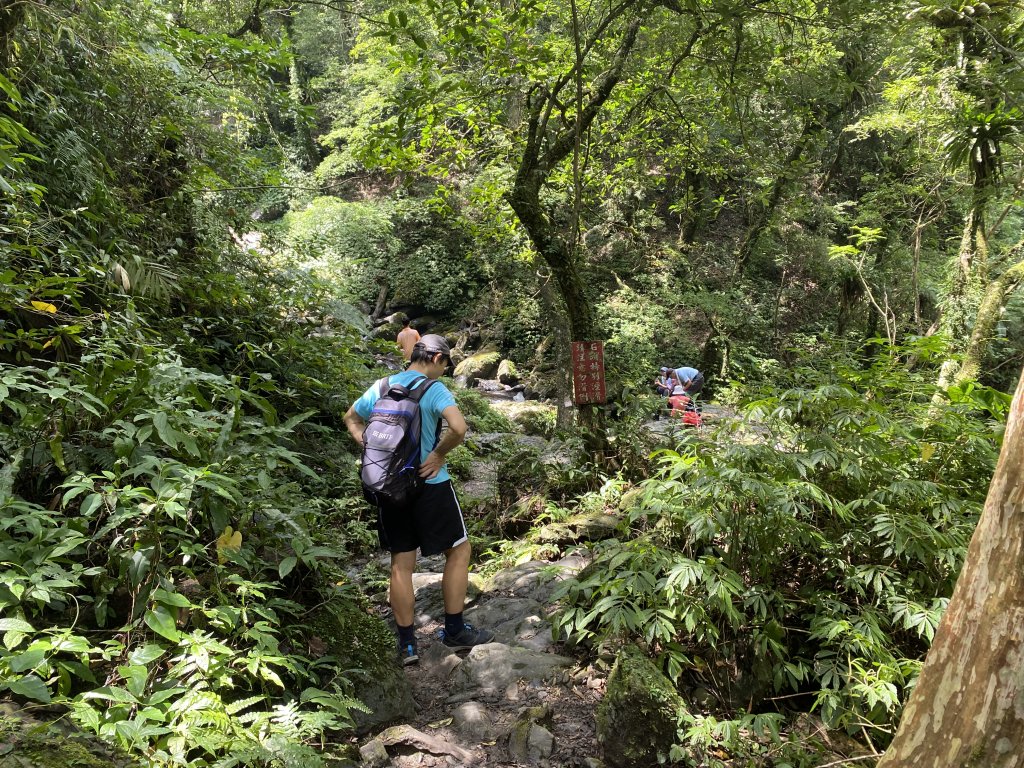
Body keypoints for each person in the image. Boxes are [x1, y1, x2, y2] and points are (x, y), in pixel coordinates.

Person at [343, 334, 493, 666]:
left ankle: (408, 645)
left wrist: (369, 449)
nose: (445, 370)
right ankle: (454, 629)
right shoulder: (432, 388)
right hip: (430, 484)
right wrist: (438, 454)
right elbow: (458, 427)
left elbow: (350, 417)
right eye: (445, 364)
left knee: (401, 563)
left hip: (388, 485)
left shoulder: (383, 385)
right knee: (458, 549)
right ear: (437, 358)